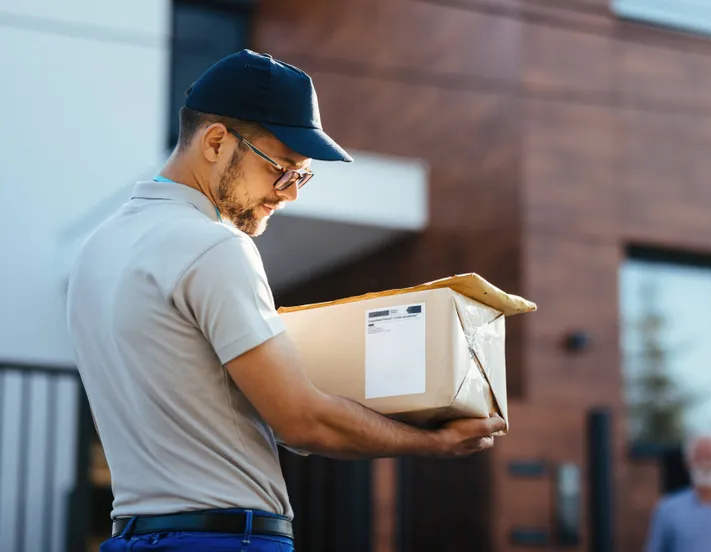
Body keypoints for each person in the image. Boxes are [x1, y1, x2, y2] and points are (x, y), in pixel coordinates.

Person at [66, 49, 505, 552]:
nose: (289, 193)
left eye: (300, 176)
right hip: (225, 540)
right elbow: (301, 421)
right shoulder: (213, 246)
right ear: (215, 142)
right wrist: (434, 443)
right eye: (283, 169)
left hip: (131, 537)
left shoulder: (97, 250)